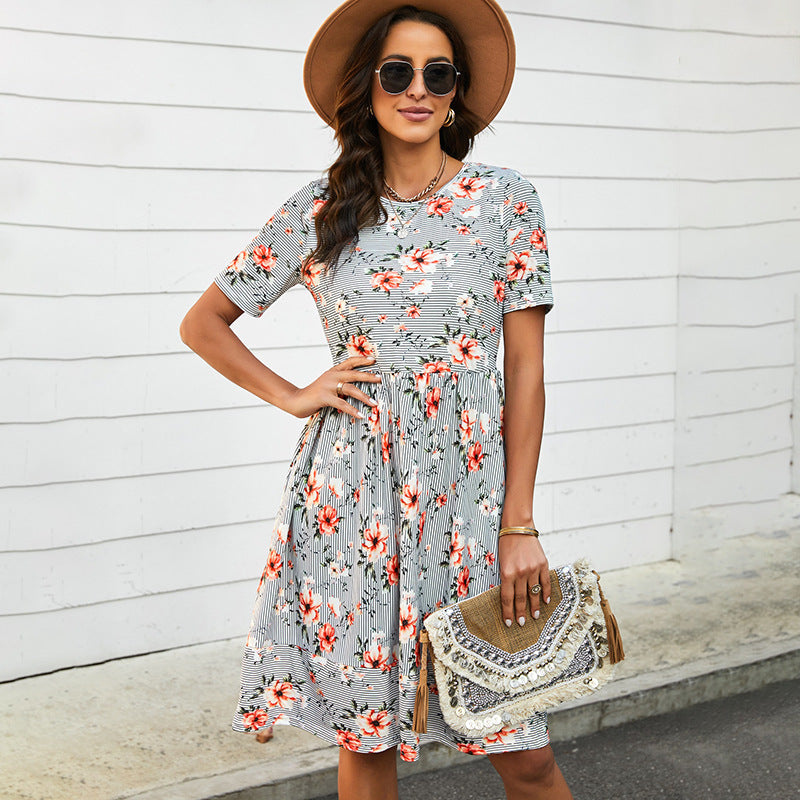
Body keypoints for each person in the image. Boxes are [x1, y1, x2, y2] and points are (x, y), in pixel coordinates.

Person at [179, 1, 573, 797]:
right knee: (366, 743)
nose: (417, 89)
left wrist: (519, 521)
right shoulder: (322, 207)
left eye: (438, 73)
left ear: (457, 92)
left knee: (521, 748)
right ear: (368, 87)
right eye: (397, 72)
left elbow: (525, 373)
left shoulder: (506, 200)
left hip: (470, 502)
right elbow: (205, 322)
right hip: (350, 498)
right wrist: (294, 395)